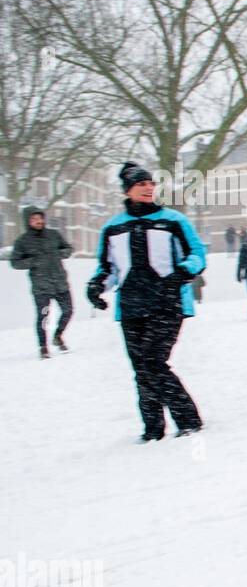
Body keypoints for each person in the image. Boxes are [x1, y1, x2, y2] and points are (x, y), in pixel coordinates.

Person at [87, 162, 205, 441]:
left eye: (151, 183)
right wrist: (96, 287)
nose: (149, 188)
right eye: (142, 184)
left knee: (153, 362)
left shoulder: (173, 220)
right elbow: (108, 268)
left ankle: (188, 419)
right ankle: (152, 428)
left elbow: (197, 254)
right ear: (128, 190)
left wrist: (181, 274)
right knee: (141, 368)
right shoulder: (113, 228)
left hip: (167, 302)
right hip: (131, 305)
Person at [10, 206, 74, 359]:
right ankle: (43, 347)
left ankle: (58, 336)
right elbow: (14, 262)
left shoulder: (54, 235)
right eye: (34, 219)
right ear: (28, 221)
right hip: (41, 287)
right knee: (44, 317)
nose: (39, 221)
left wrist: (60, 253)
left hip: (60, 283)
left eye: (40, 218)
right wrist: (32, 262)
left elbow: (68, 248)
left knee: (68, 311)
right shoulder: (22, 241)